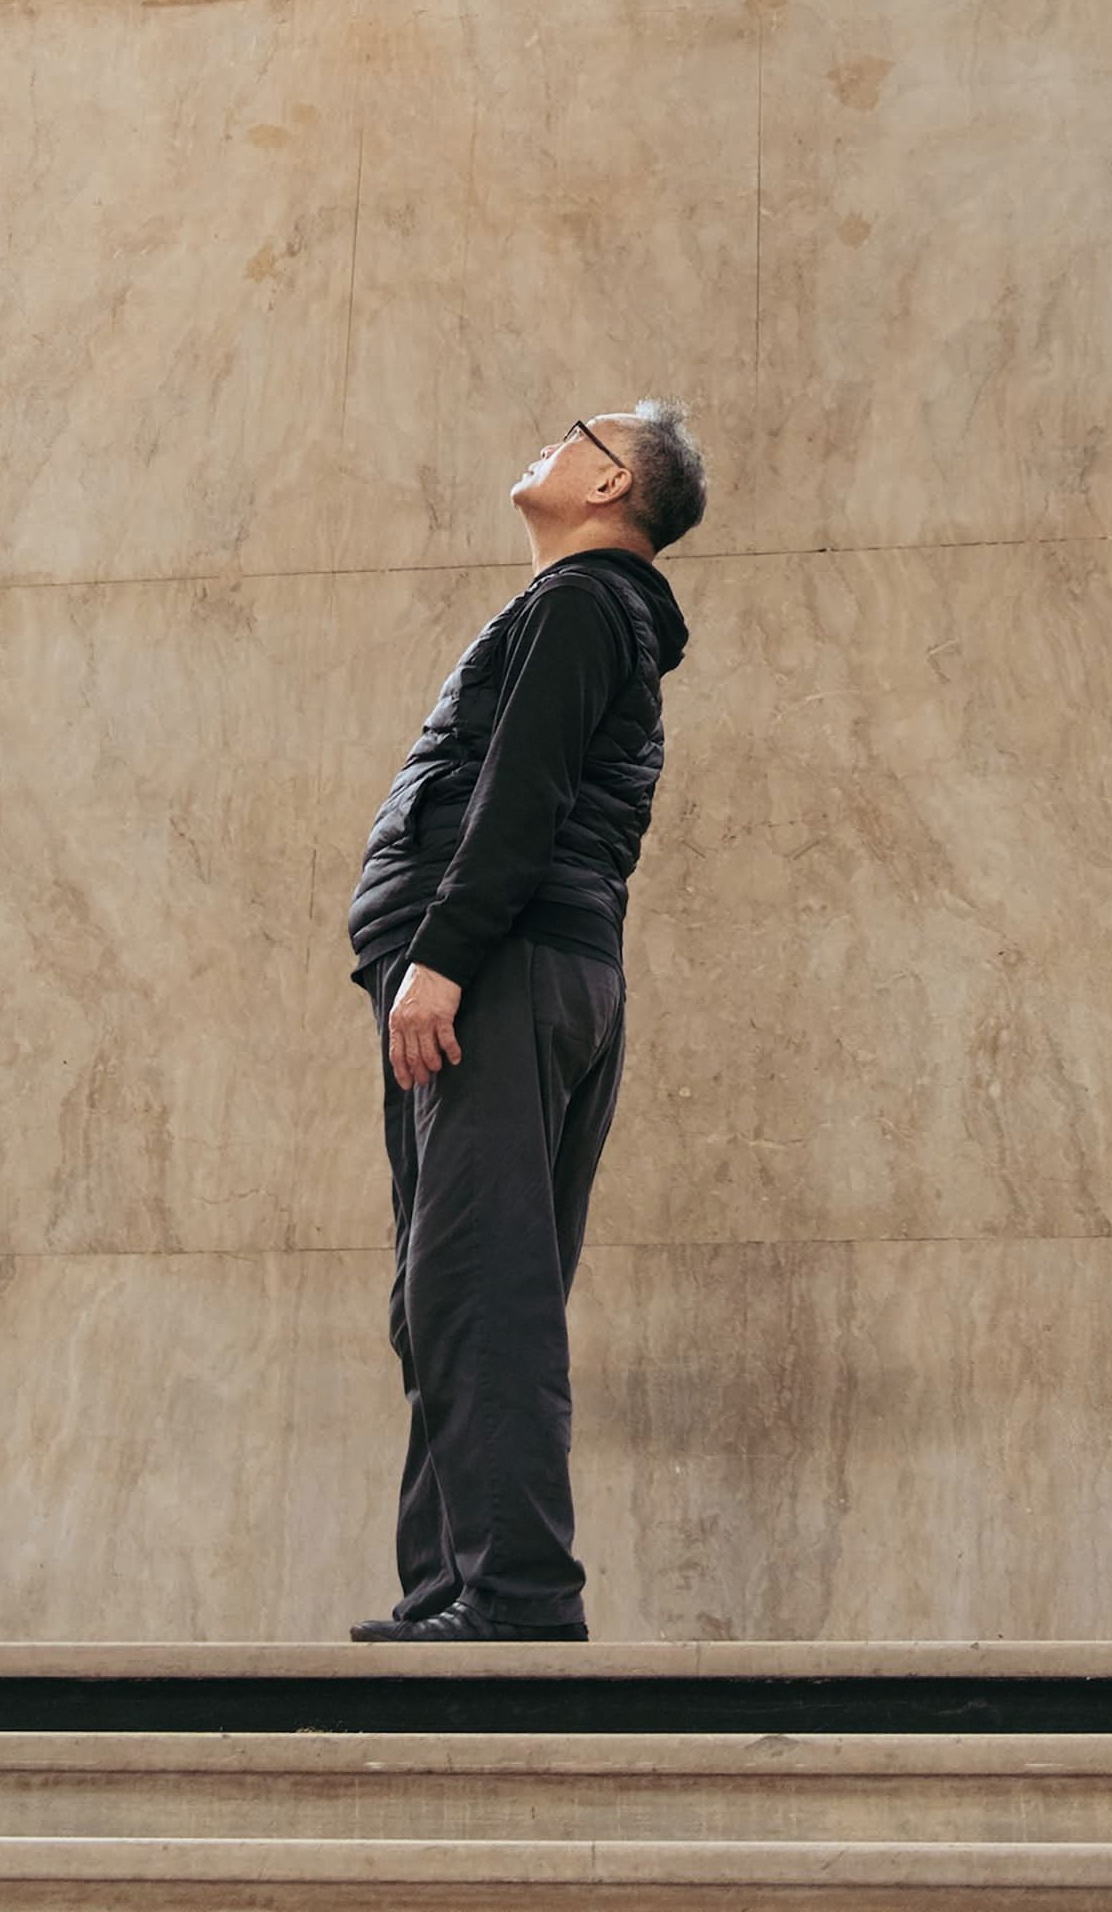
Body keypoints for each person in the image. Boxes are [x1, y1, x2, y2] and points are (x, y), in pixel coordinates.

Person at [344, 400, 707, 1643]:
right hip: (524, 968)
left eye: (569, 432)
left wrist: (441, 955)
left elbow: (521, 789)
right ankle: (453, 1589)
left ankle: (511, 1602)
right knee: (448, 1285)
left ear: (609, 480)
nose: (540, 446)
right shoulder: (591, 612)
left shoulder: (582, 602)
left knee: (479, 1282)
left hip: (500, 968)